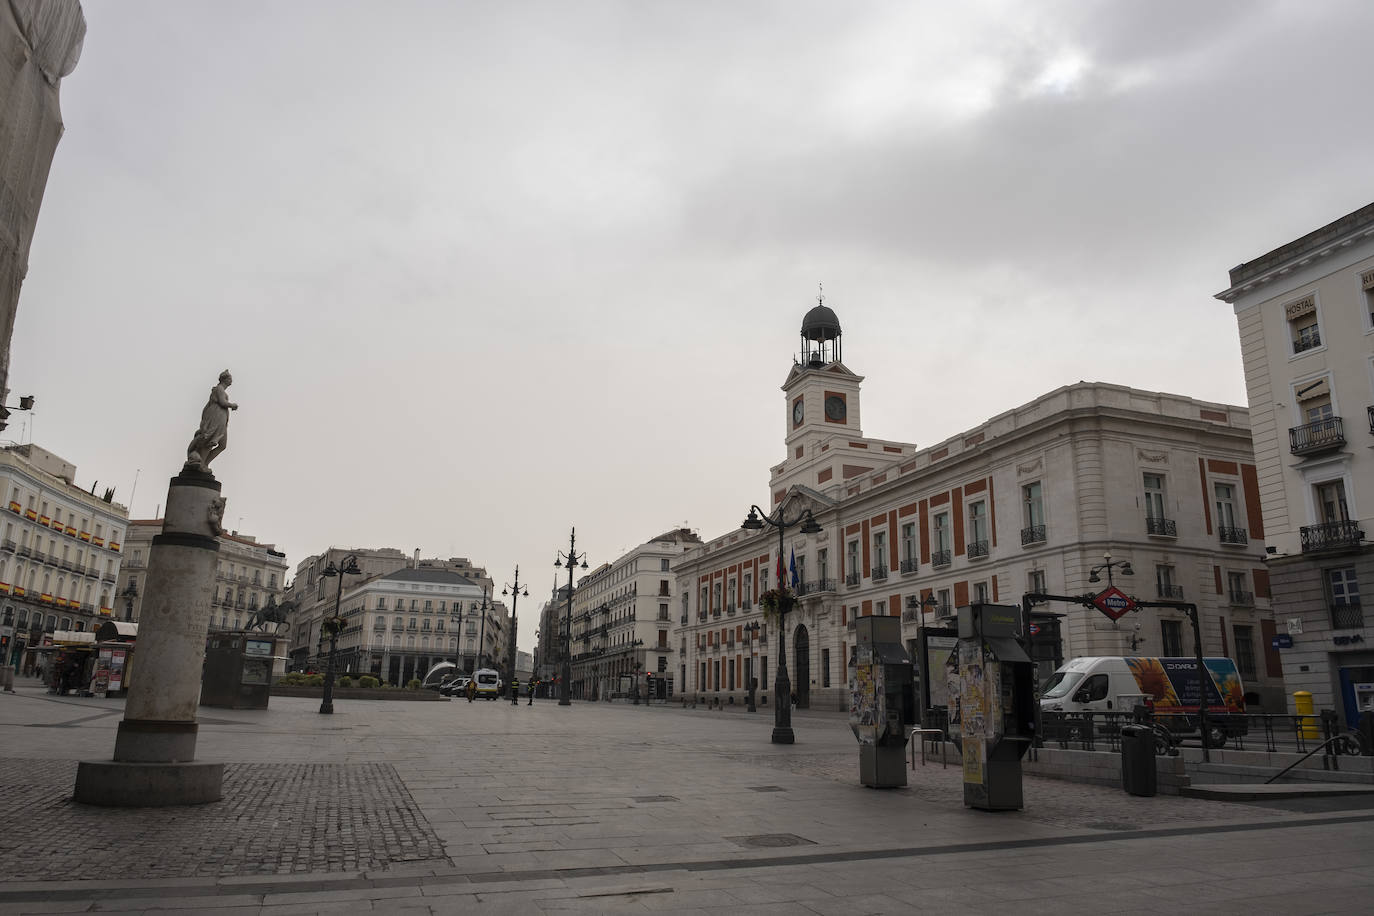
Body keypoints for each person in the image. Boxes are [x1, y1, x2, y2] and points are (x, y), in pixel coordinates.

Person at [185, 370, 238, 472]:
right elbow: (222, 402)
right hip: (216, 416)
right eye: (230, 378)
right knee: (210, 441)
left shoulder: (221, 390)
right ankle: (201, 465)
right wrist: (232, 405)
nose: (231, 380)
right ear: (225, 379)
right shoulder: (219, 389)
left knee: (222, 445)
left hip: (222, 417)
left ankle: (205, 463)